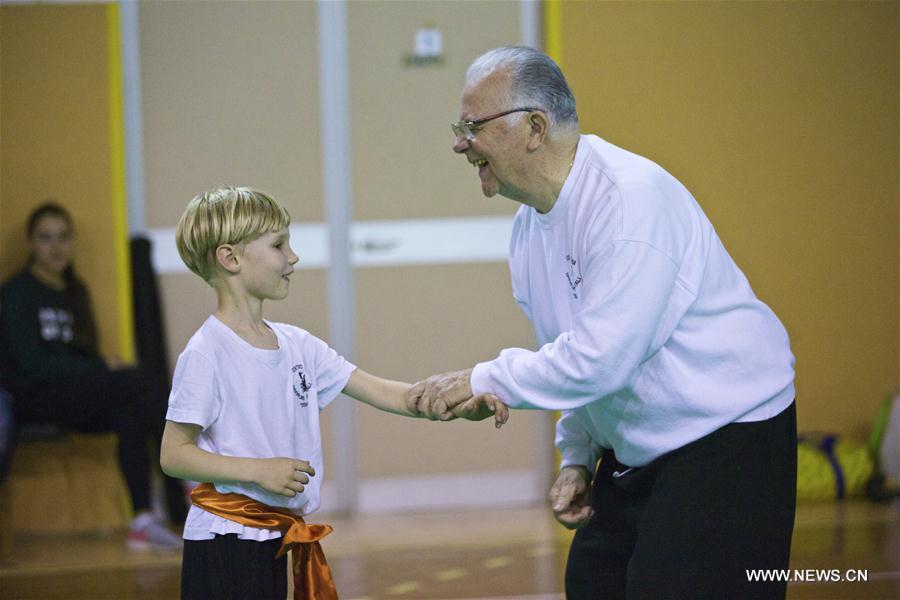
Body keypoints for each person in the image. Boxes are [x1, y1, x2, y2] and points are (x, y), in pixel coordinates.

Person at [408, 46, 797, 600]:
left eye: (472, 126)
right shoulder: (529, 230)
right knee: (595, 582)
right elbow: (570, 352)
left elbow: (601, 358)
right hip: (641, 444)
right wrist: (578, 456)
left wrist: (485, 378)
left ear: (535, 127)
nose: (458, 142)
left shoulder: (629, 202)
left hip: (727, 431)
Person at [159, 187, 507, 600]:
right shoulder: (206, 352)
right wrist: (257, 470)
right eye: (278, 245)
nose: (293, 257)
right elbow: (174, 454)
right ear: (230, 258)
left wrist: (458, 401)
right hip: (225, 541)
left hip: (272, 535)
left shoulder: (298, 345)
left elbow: (389, 393)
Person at [0, 202, 184, 551]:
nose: (56, 247)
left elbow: (82, 356)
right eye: (46, 238)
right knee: (132, 381)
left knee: (128, 405)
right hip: (32, 397)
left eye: (63, 237)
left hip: (71, 395)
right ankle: (189, 463)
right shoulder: (16, 294)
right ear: (31, 244)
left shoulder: (75, 291)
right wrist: (102, 368)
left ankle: (142, 520)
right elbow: (32, 366)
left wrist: (99, 366)